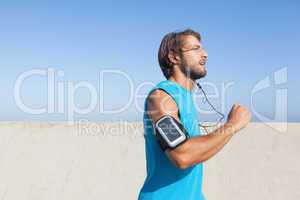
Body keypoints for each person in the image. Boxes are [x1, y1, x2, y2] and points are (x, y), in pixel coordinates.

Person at [138, 29, 251, 200]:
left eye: (203, 48)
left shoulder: (185, 98)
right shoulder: (161, 98)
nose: (204, 54)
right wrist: (231, 125)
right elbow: (182, 154)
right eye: (195, 48)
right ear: (174, 57)